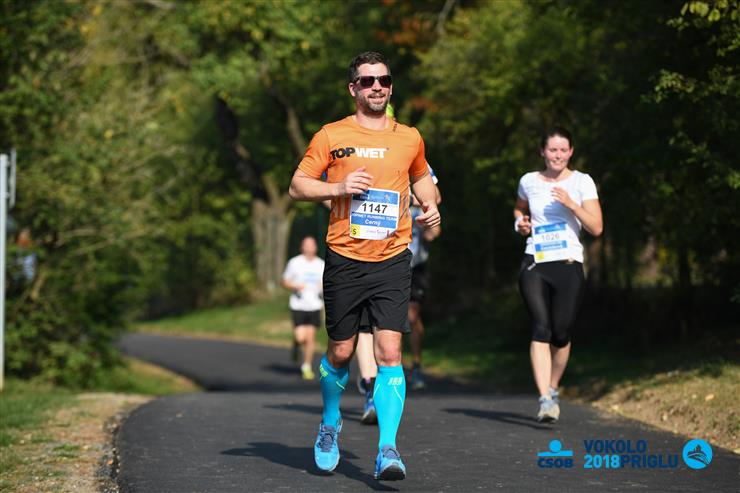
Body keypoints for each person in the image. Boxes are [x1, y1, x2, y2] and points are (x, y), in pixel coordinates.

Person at [288, 51, 440, 481]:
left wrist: (430, 206)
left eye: (384, 80)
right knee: (341, 351)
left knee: (390, 351)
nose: (377, 87)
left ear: (391, 87)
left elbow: (422, 178)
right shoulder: (331, 135)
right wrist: (338, 186)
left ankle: (388, 448)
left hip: (393, 258)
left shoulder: (409, 137)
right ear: (353, 87)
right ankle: (330, 422)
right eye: (368, 81)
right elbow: (298, 185)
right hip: (345, 258)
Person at [513, 127, 603, 423]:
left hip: (568, 262)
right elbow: (519, 209)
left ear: (571, 152)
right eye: (553, 150)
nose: (558, 155)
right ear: (543, 151)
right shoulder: (528, 181)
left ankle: (553, 387)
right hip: (535, 261)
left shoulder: (581, 182)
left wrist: (571, 204)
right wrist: (520, 224)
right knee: (541, 327)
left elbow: (596, 227)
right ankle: (545, 399)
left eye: (564, 150)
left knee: (561, 333)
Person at [282, 236, 325, 380]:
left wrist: (323, 287)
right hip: (298, 305)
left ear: (315, 247)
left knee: (310, 337)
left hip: (315, 305)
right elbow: (285, 281)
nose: (309, 247)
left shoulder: (321, 264)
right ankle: (296, 345)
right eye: (306, 245)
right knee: (301, 337)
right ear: (302, 247)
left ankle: (306, 366)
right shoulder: (295, 262)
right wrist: (295, 285)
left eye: (312, 244)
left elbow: (326, 283)